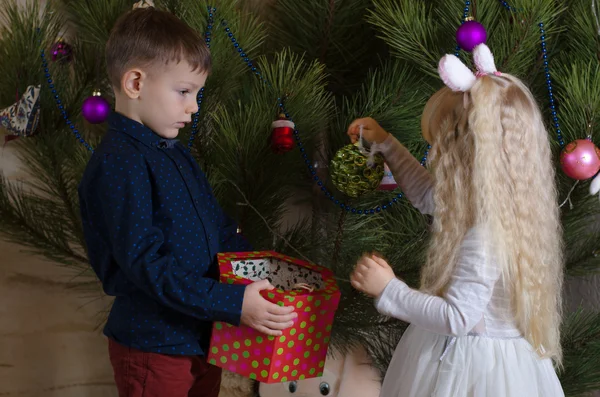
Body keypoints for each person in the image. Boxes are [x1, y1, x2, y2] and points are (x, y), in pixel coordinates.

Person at [78, 7, 296, 397]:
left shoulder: (176, 154)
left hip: (202, 334)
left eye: (197, 94)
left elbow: (220, 228)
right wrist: (231, 301)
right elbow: (145, 264)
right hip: (153, 344)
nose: (193, 107)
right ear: (135, 82)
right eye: (184, 91)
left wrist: (260, 271)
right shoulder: (119, 162)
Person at [347, 44, 565, 396]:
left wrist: (389, 289)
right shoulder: (490, 207)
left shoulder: (485, 235)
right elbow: (426, 194)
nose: (433, 155)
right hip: (474, 355)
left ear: (470, 159)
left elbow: (458, 318)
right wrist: (387, 144)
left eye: (441, 149)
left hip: (471, 370)